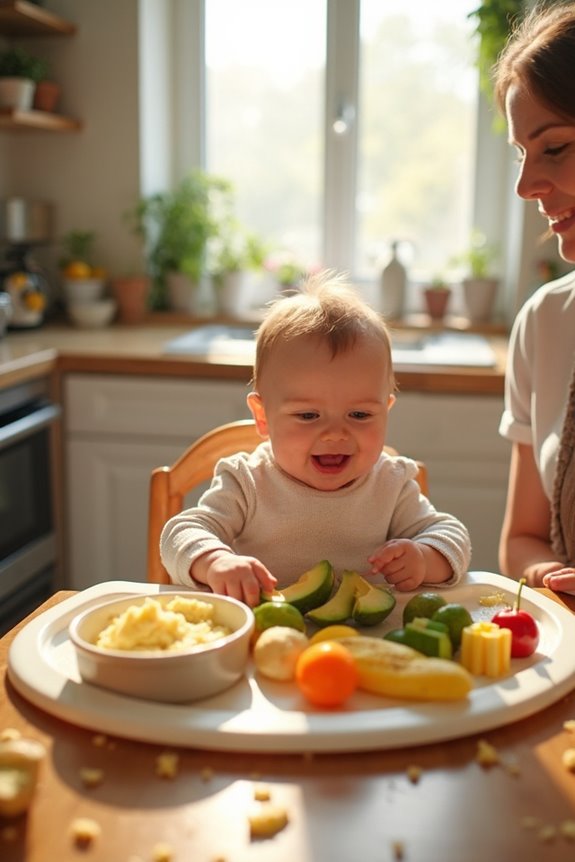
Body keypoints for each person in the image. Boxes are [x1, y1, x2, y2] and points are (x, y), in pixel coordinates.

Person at [160, 271, 471, 606]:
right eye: (308, 416)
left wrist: (425, 558)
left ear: (386, 410)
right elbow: (181, 532)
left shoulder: (391, 484)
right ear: (263, 418)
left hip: (365, 645)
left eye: (360, 415)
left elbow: (453, 536)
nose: (336, 434)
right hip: (263, 640)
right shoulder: (247, 482)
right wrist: (216, 561)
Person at [494, 3, 575, 592]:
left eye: (555, 147)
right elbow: (521, 538)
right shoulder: (545, 322)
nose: (526, 187)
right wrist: (547, 576)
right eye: (523, 153)